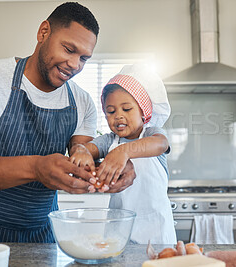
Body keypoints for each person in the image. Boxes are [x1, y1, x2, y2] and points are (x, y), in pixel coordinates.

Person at [0, 2, 136, 243]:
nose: (75, 65)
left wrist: (111, 168)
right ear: (43, 32)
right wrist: (36, 168)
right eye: (69, 49)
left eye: (84, 58)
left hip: (41, 237)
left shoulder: (81, 102)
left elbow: (82, 157)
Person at [70, 63, 177, 244]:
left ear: (144, 112)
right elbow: (84, 148)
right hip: (119, 229)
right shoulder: (109, 141)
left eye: (126, 109)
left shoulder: (152, 134)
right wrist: (80, 151)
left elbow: (161, 144)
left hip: (156, 229)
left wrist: (124, 151)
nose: (118, 116)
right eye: (110, 111)